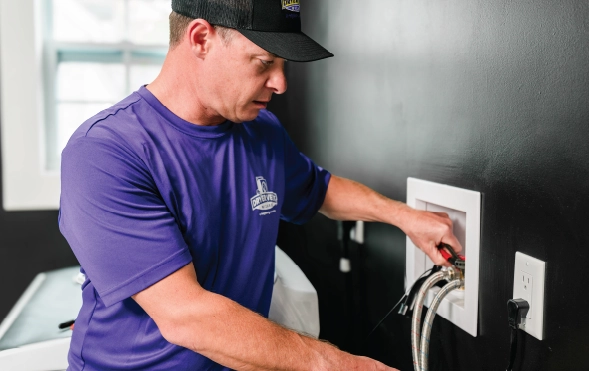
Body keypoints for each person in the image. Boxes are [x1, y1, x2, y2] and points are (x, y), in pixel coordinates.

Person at [58, 1, 463, 370]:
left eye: (283, 65)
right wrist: (346, 365)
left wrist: (407, 217)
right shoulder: (106, 152)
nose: (281, 83)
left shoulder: (260, 130)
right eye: (263, 62)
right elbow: (187, 316)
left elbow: (318, 190)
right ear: (201, 39)